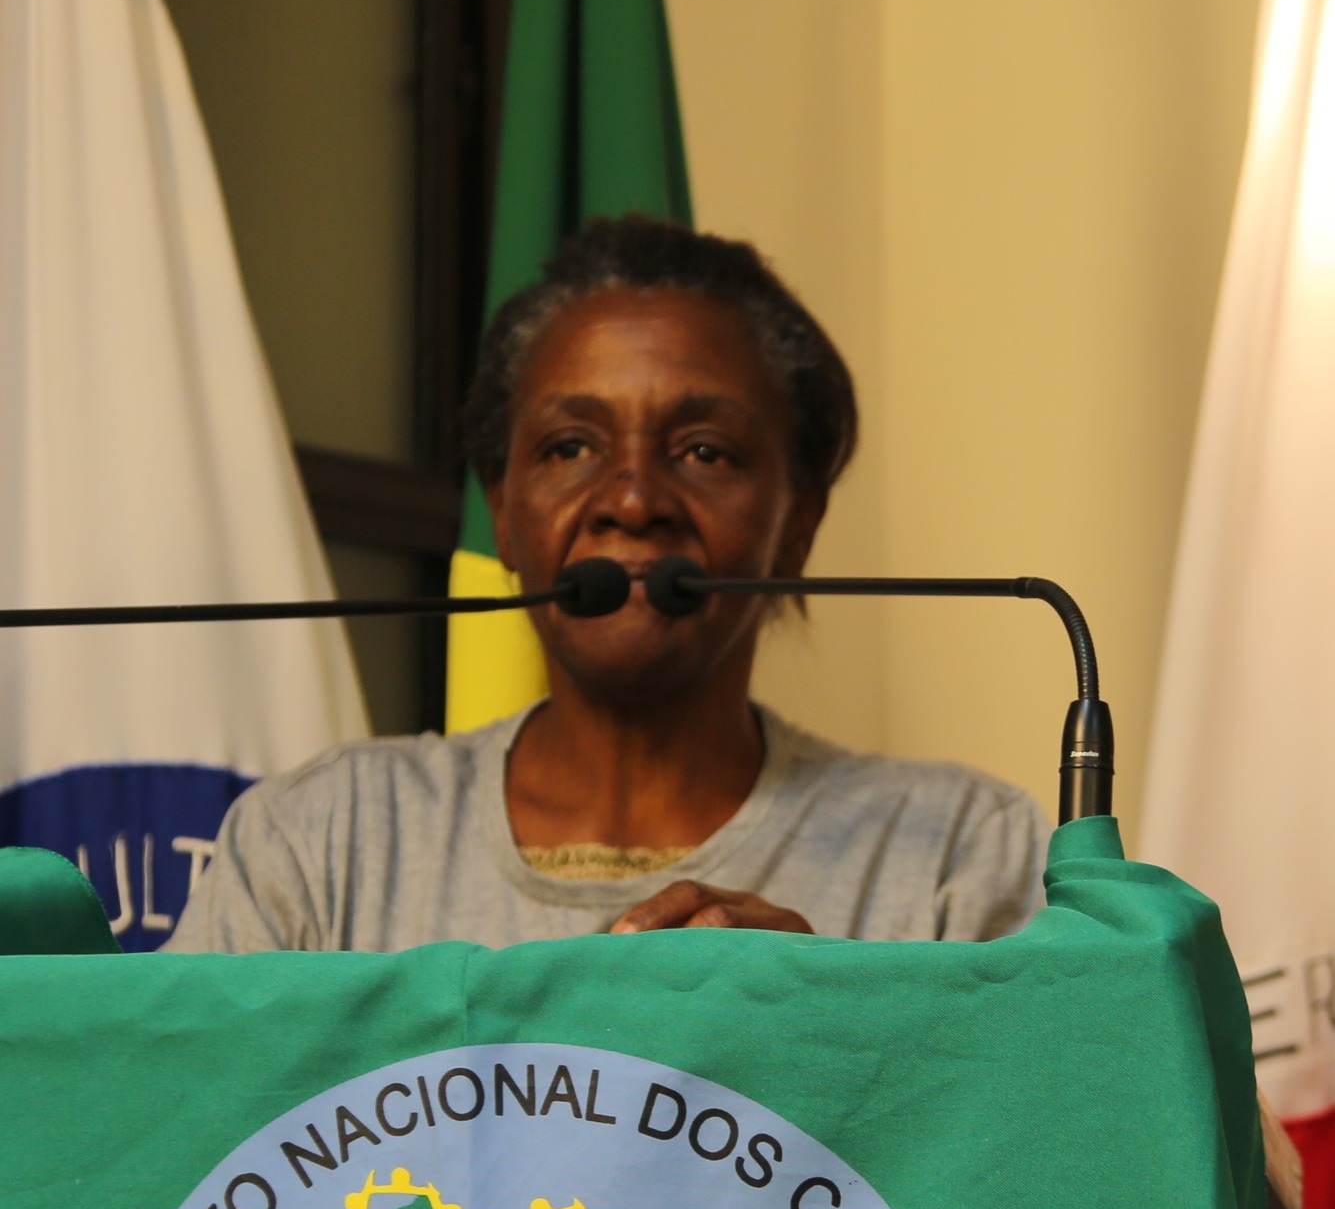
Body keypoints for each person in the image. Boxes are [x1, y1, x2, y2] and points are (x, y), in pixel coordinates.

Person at [168, 216, 1046, 954]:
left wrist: (829, 1024)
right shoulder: (321, 842)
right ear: (503, 513)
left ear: (798, 524)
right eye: (570, 448)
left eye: (703, 451)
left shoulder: (960, 854)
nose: (631, 500)